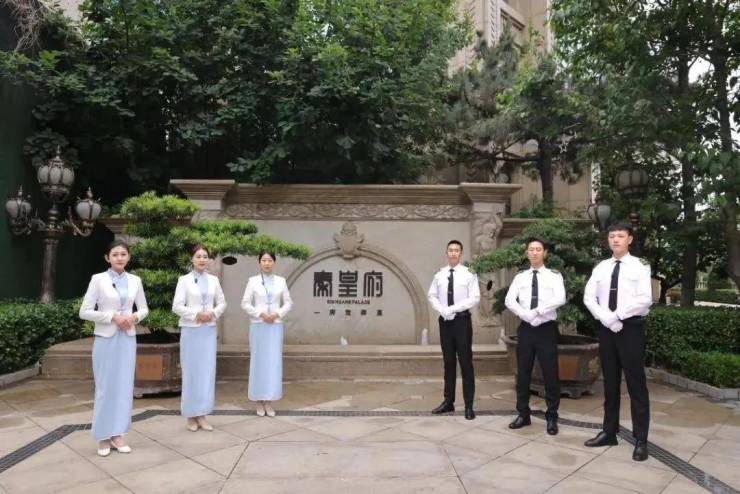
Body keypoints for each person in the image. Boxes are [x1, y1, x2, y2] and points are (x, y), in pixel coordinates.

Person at [583, 223, 653, 461]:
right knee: (610, 383)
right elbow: (589, 297)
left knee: (636, 384)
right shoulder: (601, 267)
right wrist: (606, 318)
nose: (615, 240)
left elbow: (645, 299)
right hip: (606, 329)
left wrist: (618, 316)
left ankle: (641, 440)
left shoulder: (640, 266)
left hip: (630, 329)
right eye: (612, 236)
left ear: (629, 239)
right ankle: (609, 432)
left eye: (620, 236)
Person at [79, 240, 148, 457]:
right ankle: (103, 435)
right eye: (115, 254)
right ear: (107, 258)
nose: (119, 258)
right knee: (105, 387)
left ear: (128, 257)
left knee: (124, 386)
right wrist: (112, 317)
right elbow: (85, 311)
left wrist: (133, 317)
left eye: (123, 254)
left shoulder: (135, 280)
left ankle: (118, 434)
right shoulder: (98, 279)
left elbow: (144, 308)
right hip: (106, 338)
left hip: (127, 337)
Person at [504, 237, 566, 435]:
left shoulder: (554, 276)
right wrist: (525, 314)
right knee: (523, 373)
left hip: (546, 329)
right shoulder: (520, 277)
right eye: (531, 249)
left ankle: (552, 416)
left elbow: (560, 298)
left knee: (550, 374)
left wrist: (538, 312)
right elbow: (509, 300)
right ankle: (523, 414)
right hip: (526, 329)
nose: (535, 252)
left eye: (538, 249)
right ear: (527, 253)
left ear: (544, 253)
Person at [172, 244, 227, 432]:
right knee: (191, 372)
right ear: (192, 259)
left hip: (208, 331)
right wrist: (197, 314)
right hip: (191, 330)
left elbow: (222, 303)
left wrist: (212, 313)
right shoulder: (184, 280)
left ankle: (202, 414)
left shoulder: (213, 280)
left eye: (205, 256)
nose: (202, 259)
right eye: (198, 256)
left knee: (206, 372)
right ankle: (190, 414)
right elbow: (177, 306)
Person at [427, 240, 481, 420]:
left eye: (456, 250)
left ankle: (469, 405)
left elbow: (474, 297)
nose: (453, 253)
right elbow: (432, 295)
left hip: (461, 322)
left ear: (461, 253)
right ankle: (448, 401)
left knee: (466, 363)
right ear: (446, 252)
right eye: (450, 250)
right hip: (445, 322)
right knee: (448, 363)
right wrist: (442, 310)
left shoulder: (469, 274)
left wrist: (453, 308)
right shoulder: (440, 274)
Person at [241, 251, 293, 417]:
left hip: (275, 326)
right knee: (258, 362)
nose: (266, 263)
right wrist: (261, 314)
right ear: (259, 263)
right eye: (263, 260)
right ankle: (258, 400)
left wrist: (277, 314)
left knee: (273, 362)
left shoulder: (281, 281)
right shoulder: (253, 281)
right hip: (259, 325)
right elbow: (245, 303)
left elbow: (288, 303)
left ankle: (269, 401)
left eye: (270, 260)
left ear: (274, 262)